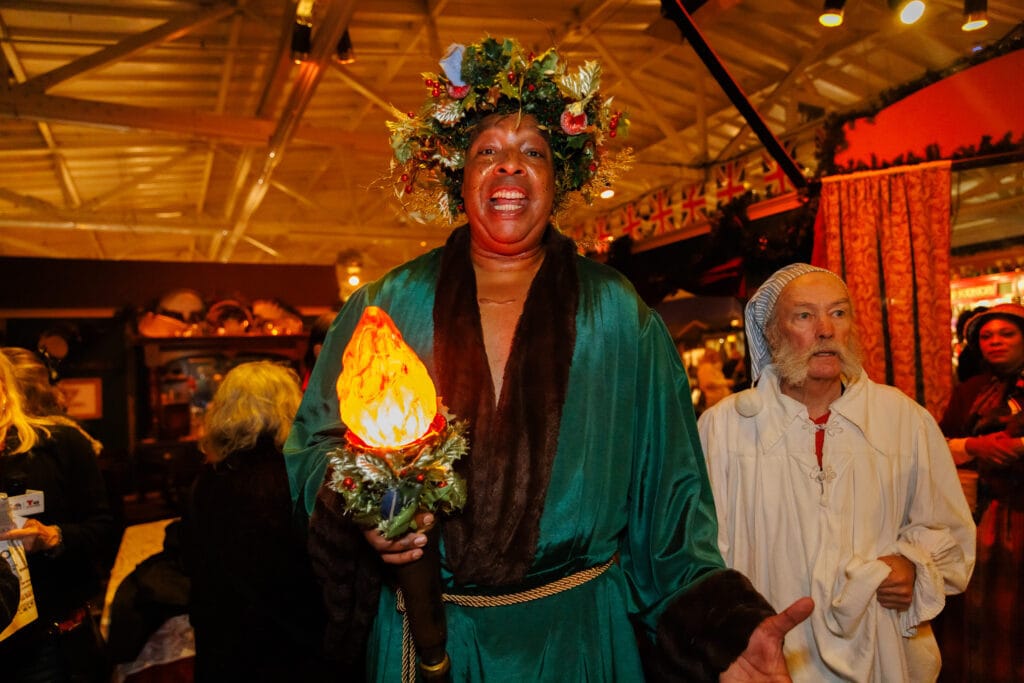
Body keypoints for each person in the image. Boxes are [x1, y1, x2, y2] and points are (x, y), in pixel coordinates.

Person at [286, 36, 811, 682]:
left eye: (533, 151)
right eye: (487, 151)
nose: (510, 166)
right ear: (459, 175)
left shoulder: (618, 315)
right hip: (424, 636)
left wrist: (720, 631)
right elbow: (314, 446)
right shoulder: (387, 305)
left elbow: (672, 499)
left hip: (578, 640)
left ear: (558, 179)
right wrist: (367, 510)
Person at [697, 263, 976, 682]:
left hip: (880, 651)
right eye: (804, 315)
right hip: (764, 658)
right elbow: (698, 553)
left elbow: (948, 530)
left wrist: (914, 565)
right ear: (772, 333)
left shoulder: (902, 419)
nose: (826, 330)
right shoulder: (725, 427)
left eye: (839, 313)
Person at [179, 361, 327, 681]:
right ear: (290, 407)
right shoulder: (301, 480)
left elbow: (190, 556)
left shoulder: (208, 479)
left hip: (224, 643)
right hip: (293, 645)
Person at [0, 348, 117, 682]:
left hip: (47, 643)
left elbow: (104, 528)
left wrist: (53, 537)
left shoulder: (59, 444)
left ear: (6, 390)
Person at [937, 302, 1024, 682]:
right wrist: (976, 446)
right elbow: (940, 444)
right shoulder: (970, 391)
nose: (995, 341)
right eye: (987, 336)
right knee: (977, 611)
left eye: (1007, 333)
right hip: (978, 516)